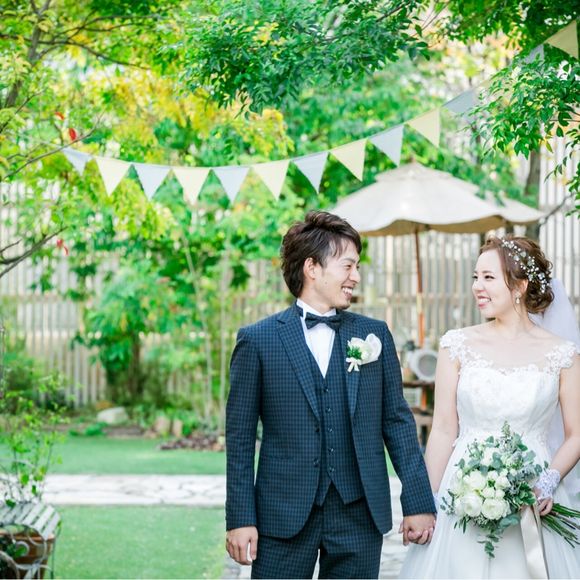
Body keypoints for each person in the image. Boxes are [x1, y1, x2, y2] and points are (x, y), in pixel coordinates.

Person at [226, 211, 436, 579]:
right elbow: (240, 439)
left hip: (358, 514)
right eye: (348, 266)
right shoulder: (258, 340)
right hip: (282, 515)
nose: (356, 276)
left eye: (357, 267)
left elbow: (397, 422)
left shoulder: (374, 335)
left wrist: (418, 501)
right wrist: (240, 518)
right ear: (312, 267)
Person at [400, 235, 580, 579]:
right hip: (461, 491)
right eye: (475, 277)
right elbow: (443, 430)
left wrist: (548, 481)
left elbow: (576, 434)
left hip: (532, 492)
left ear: (520, 285)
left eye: (488, 277)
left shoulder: (564, 355)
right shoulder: (456, 345)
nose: (477, 287)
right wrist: (426, 501)